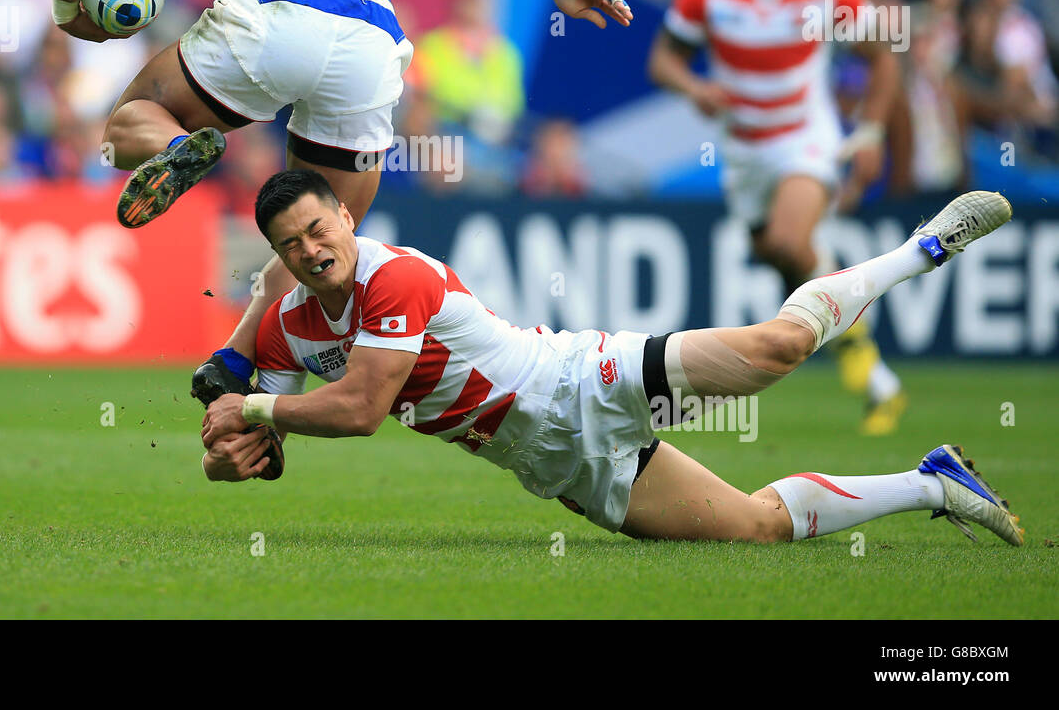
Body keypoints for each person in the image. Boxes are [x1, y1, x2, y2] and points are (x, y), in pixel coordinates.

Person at [46, 0, 632, 391]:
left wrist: (70, 14)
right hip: (371, 43)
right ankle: (244, 364)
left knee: (126, 125)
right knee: (318, 230)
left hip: (272, 14)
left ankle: (175, 148)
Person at [200, 170, 1022, 548]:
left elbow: (357, 409)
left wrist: (258, 410)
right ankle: (933, 482)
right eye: (291, 245)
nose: (312, 251)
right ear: (275, 256)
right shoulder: (287, 328)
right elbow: (265, 443)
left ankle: (923, 246)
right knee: (760, 530)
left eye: (320, 229)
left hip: (583, 381)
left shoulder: (396, 277)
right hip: (559, 466)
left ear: (345, 217)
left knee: (780, 345)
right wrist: (232, 453)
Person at [647, 0, 906, 434]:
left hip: (805, 137)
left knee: (789, 242)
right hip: (743, 152)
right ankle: (868, 356)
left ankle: (865, 365)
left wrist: (873, 133)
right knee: (778, 255)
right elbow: (662, 60)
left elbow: (883, 57)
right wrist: (693, 89)